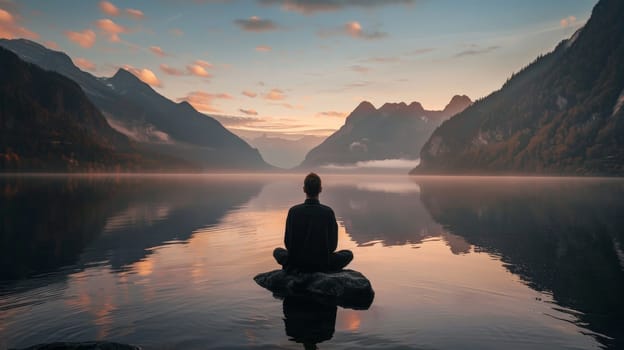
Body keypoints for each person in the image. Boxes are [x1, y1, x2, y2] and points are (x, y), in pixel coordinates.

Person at [273, 173, 353, 273]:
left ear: (304, 189)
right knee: (348, 254)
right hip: (322, 263)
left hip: (296, 263)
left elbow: (288, 244)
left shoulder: (293, 211)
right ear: (320, 189)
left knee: (277, 251)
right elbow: (332, 246)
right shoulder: (328, 212)